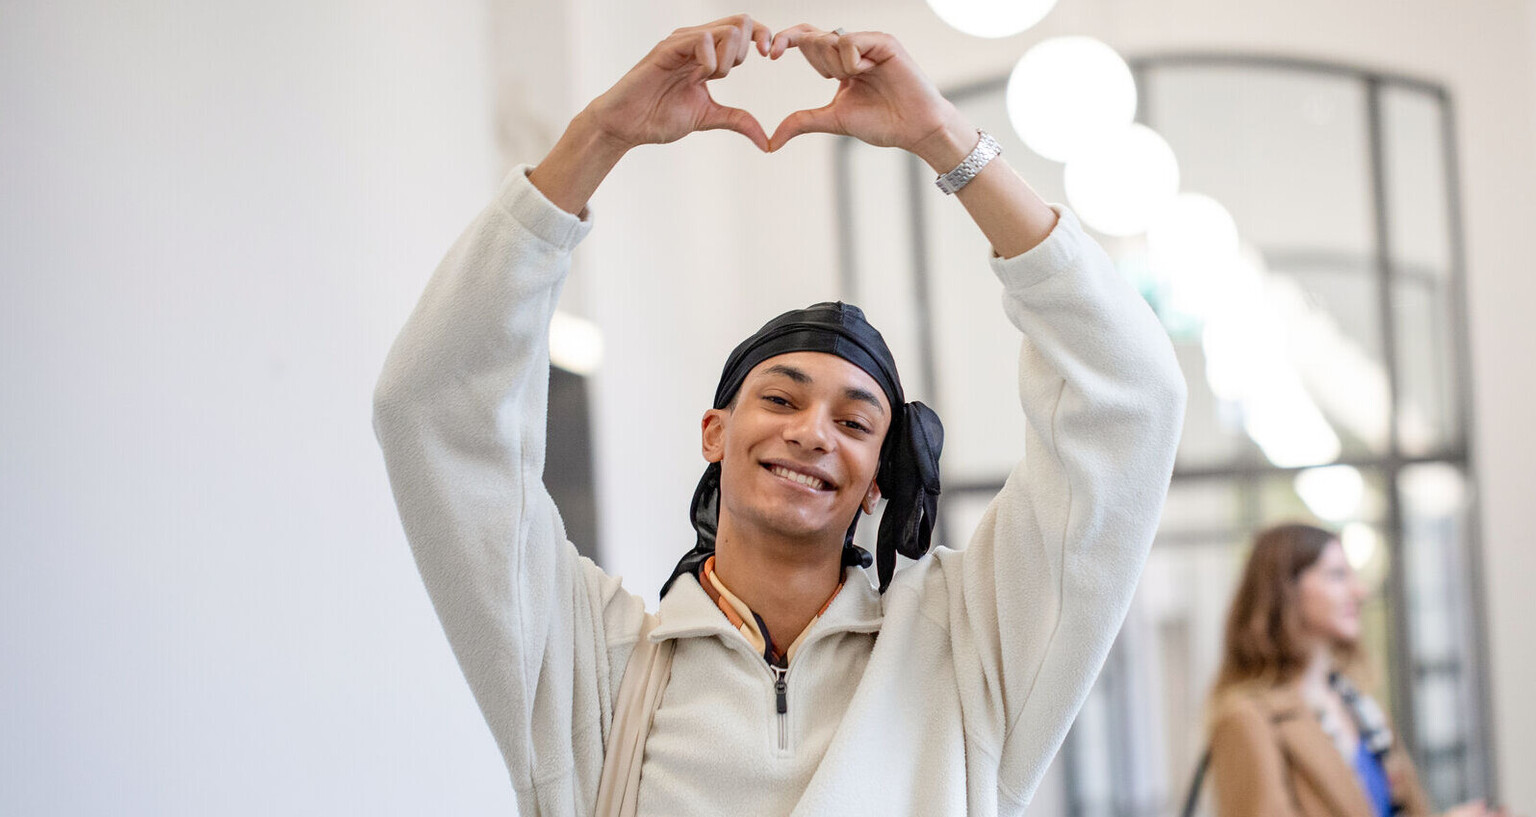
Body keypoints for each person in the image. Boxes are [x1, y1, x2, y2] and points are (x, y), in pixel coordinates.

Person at [372, 14, 1184, 817]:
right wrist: (601, 135)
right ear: (714, 432)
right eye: (781, 397)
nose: (812, 432)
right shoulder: (594, 667)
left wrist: (947, 141)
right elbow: (434, 409)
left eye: (856, 422)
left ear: (876, 483)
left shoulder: (966, 653)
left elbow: (1130, 396)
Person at [1204, 523, 1499, 817]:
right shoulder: (1245, 720)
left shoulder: (1361, 707)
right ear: (1284, 590)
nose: (1359, 591)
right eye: (1337, 575)